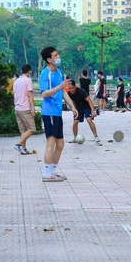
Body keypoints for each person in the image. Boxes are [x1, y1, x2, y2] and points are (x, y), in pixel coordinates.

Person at [39, 46, 77, 182]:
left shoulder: (59, 72)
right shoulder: (45, 74)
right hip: (49, 113)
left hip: (57, 113)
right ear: (49, 59)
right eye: (55, 55)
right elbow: (44, 94)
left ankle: (53, 171)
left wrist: (72, 105)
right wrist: (59, 87)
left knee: (60, 144)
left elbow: (64, 92)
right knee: (51, 142)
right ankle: (46, 173)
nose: (58, 57)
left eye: (57, 54)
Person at [66, 79, 100, 145]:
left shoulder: (81, 91)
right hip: (79, 108)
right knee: (75, 122)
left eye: (72, 88)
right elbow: (73, 101)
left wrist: (93, 111)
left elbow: (89, 100)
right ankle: (75, 138)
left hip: (87, 107)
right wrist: (74, 109)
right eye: (69, 88)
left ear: (75, 87)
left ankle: (96, 137)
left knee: (89, 120)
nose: (71, 90)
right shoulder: (69, 93)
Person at [12, 64, 35, 155]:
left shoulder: (16, 81)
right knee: (32, 129)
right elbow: (29, 95)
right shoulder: (28, 80)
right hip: (25, 108)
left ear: (21, 71)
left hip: (17, 108)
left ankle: (23, 148)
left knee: (23, 131)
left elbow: (14, 93)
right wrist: (33, 108)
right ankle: (18, 144)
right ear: (29, 71)